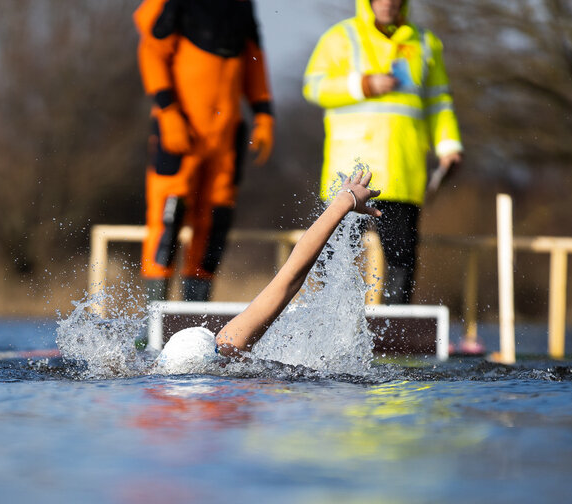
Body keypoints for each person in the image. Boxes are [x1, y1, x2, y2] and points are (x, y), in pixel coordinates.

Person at [302, 0, 463, 304]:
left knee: (401, 258)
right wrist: (362, 84)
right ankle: (327, 325)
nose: (388, 2)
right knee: (334, 255)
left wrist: (449, 146)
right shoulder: (339, 37)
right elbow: (313, 87)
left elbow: (439, 103)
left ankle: (394, 334)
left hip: (402, 169)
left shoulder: (426, 43)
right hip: (349, 171)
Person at [156, 170, 381, 371]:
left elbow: (292, 276)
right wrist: (342, 203)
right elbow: (291, 275)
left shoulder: (156, 377)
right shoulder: (228, 347)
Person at [133, 0, 274, 303]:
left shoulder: (243, 6)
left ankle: (195, 317)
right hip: (182, 130)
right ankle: (153, 318)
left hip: (225, 137)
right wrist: (167, 111)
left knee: (216, 223)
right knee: (169, 217)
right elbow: (152, 52)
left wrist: (263, 112)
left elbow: (254, 59)